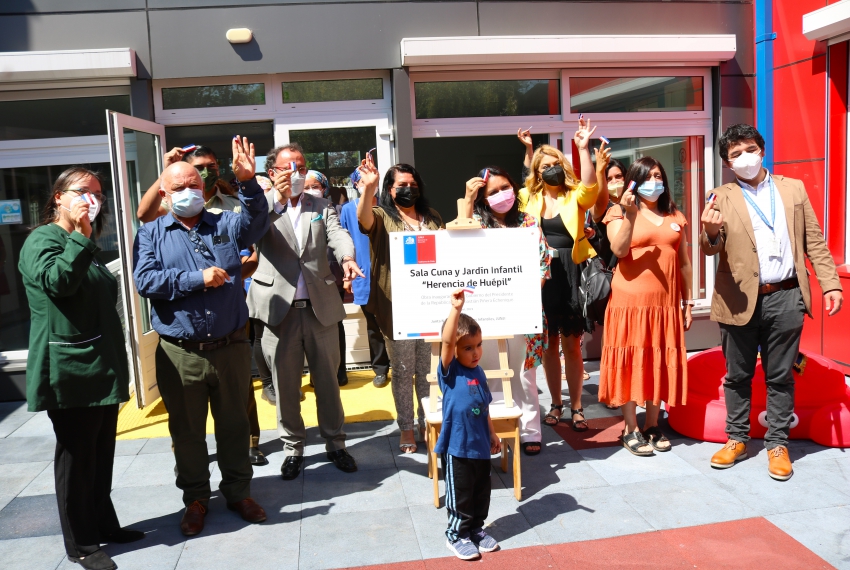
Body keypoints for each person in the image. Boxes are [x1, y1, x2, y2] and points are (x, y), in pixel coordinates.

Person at [133, 137, 269, 537]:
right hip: (180, 352)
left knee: (234, 425)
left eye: (194, 184)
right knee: (187, 432)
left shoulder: (224, 223)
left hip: (230, 346)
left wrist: (248, 184)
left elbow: (256, 223)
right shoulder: (153, 233)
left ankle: (239, 492)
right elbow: (146, 281)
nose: (189, 191)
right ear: (164, 192)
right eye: (179, 187)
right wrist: (197, 278)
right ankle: (195, 499)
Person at [700, 124, 843, 480]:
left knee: (780, 375)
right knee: (737, 376)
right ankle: (737, 438)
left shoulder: (791, 188)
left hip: (786, 295)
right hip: (738, 300)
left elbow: (814, 240)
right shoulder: (720, 195)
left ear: (762, 150)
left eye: (749, 149)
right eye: (735, 154)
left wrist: (831, 284)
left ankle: (777, 443)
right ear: (727, 162)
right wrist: (711, 231)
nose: (744, 158)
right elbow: (710, 248)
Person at [19, 167, 144, 570]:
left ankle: (104, 525)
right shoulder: (44, 239)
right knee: (76, 460)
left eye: (98, 194)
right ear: (58, 197)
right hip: (69, 371)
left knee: (100, 455)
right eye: (82, 192)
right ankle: (82, 544)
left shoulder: (83, 243)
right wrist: (79, 237)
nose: (92, 199)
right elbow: (58, 283)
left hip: (100, 368)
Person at [247, 142, 363, 481]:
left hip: (320, 310)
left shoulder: (320, 205)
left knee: (328, 382)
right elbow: (251, 234)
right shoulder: (260, 207)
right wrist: (275, 201)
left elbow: (337, 234)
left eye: (300, 166)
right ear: (272, 173)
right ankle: (293, 448)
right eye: (288, 167)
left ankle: (336, 443)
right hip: (278, 311)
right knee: (285, 387)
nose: (296, 173)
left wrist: (348, 258)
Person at [598, 157, 693, 456]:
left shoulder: (674, 214)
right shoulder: (617, 212)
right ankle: (630, 428)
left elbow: (685, 263)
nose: (654, 180)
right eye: (648, 176)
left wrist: (687, 302)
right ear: (635, 183)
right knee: (630, 361)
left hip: (665, 305)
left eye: (658, 174)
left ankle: (652, 424)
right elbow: (619, 249)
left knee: (658, 360)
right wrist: (628, 213)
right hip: (630, 305)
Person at [518, 118, 600, 432]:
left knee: (572, 344)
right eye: (544, 166)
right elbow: (525, 183)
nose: (550, 169)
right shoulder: (530, 198)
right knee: (550, 345)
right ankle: (556, 403)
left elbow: (591, 190)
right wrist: (529, 152)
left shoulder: (574, 194)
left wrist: (583, 149)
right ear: (537, 172)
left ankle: (577, 406)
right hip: (542, 275)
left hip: (572, 271)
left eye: (555, 164)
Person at [357, 159, 444, 453]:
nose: (408, 190)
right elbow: (364, 219)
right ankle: (406, 428)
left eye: (413, 185)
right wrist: (367, 189)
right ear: (390, 190)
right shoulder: (381, 215)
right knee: (404, 370)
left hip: (430, 305)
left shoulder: (431, 216)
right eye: (402, 186)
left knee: (427, 370)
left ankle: (426, 421)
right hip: (396, 308)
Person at [462, 166, 550, 455]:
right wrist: (467, 198)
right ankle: (491, 431)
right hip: (487, 313)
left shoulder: (528, 221)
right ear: (483, 199)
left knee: (524, 375)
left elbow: (542, 263)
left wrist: (525, 295)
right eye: (493, 192)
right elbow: (456, 247)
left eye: (505, 188)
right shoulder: (476, 223)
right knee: (489, 371)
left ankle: (529, 432)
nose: (502, 195)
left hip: (523, 311)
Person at [436, 289, 501, 561]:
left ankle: (475, 529)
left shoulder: (479, 372)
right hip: (457, 447)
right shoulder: (451, 371)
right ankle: (456, 535)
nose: (476, 353)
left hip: (480, 446)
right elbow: (448, 342)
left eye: (478, 345)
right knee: (460, 494)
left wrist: (492, 432)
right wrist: (456, 310)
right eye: (468, 347)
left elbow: (484, 405)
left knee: (480, 493)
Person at [339, 168, 390, 387]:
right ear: (355, 184)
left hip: (389, 275)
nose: (366, 183)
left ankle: (402, 366)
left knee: (396, 325)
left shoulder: (387, 207)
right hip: (363, 275)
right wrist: (347, 277)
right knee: (373, 326)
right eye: (360, 180)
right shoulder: (349, 210)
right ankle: (380, 369)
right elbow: (344, 242)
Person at [305, 169, 350, 386]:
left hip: (332, 277)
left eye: (315, 186)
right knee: (309, 328)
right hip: (305, 279)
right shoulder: (293, 211)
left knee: (334, 324)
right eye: (306, 187)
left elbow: (340, 237)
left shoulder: (334, 210)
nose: (311, 190)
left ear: (324, 188)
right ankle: (315, 374)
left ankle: (339, 372)